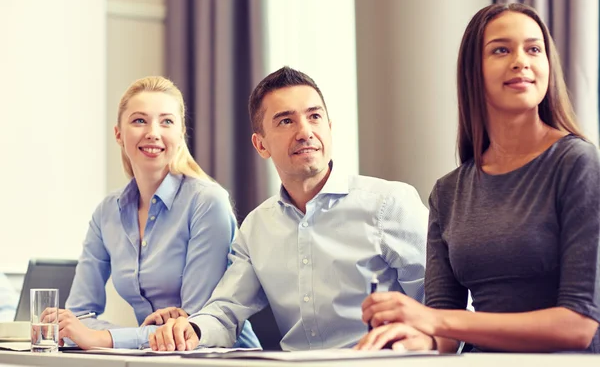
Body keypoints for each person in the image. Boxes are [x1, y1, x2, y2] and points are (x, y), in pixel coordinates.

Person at [355, 3, 600, 353]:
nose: (521, 60)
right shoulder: (448, 191)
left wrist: (435, 321)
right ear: (473, 70)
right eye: (501, 49)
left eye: (533, 49)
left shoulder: (577, 162)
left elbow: (578, 324)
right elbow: (445, 327)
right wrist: (408, 339)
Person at [149, 66, 429, 352]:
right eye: (286, 121)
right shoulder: (256, 227)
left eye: (315, 117)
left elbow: (442, 309)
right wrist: (192, 329)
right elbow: (226, 312)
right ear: (261, 145)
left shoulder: (390, 204)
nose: (305, 132)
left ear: (329, 128)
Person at [54, 76, 260, 350]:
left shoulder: (207, 203)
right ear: (118, 133)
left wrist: (104, 337)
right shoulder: (107, 213)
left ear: (181, 132)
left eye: (166, 121)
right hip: (155, 358)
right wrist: (134, 335)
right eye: (139, 121)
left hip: (221, 359)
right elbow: (78, 315)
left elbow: (194, 328)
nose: (153, 132)